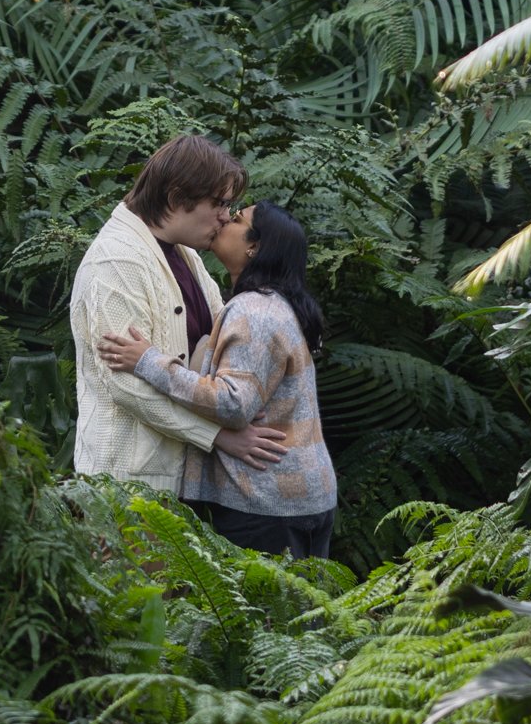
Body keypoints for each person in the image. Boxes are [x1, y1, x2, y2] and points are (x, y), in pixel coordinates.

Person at [99, 200, 336, 559]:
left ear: (254, 246)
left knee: (266, 616)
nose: (224, 218)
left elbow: (232, 403)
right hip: (294, 495)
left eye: (237, 218)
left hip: (266, 500)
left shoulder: (254, 311)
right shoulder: (275, 305)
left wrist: (146, 361)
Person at [69, 133, 287, 489]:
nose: (225, 216)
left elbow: (223, 342)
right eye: (218, 203)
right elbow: (126, 386)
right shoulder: (116, 261)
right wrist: (217, 435)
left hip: (176, 482)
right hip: (123, 481)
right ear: (176, 197)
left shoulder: (183, 254)